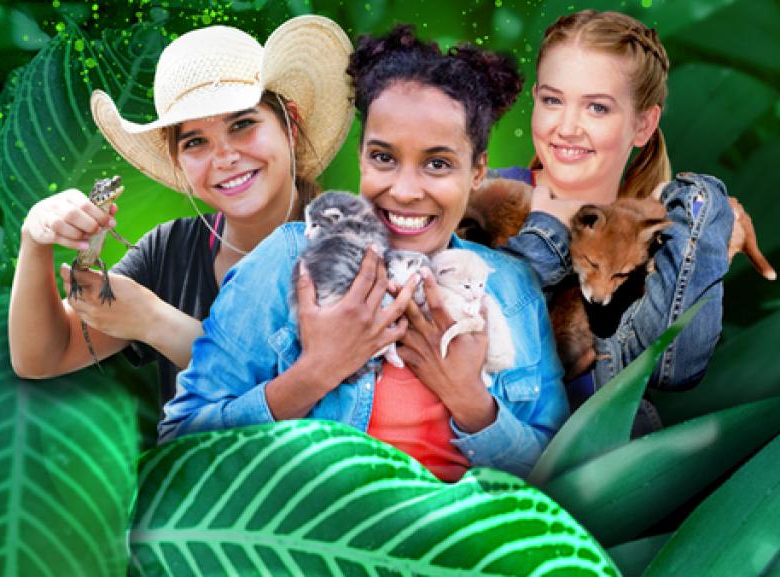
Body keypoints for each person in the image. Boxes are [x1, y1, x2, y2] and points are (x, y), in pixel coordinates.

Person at [160, 25, 569, 481]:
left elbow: (554, 475)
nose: (405, 190)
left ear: (477, 171)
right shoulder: (288, 263)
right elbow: (180, 447)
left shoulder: (513, 288)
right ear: (361, 156)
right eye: (383, 158)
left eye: (438, 164)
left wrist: (472, 402)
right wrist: (316, 371)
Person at [8, 16, 355, 413]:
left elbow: (323, 398)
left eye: (242, 124)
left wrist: (155, 321)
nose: (225, 157)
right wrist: (34, 240)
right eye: (195, 142)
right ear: (177, 161)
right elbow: (41, 357)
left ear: (290, 124)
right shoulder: (167, 249)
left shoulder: (350, 245)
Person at [493, 10, 774, 427]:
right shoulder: (481, 199)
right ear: (535, 99)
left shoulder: (661, 234)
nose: (567, 127)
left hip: (591, 466)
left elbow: (675, 367)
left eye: (597, 108)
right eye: (553, 100)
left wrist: (702, 246)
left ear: (643, 124)